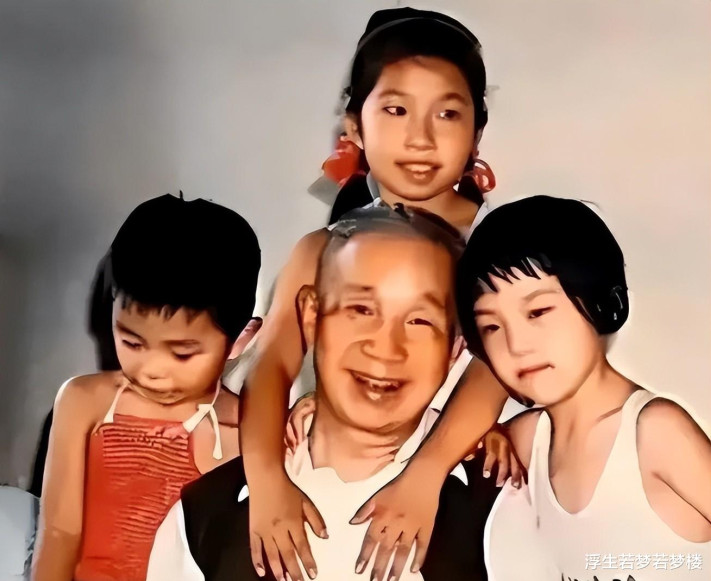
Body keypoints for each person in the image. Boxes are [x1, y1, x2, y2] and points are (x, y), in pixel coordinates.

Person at [240, 9, 517, 581]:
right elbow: (270, 366)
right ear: (355, 127)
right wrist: (265, 480)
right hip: (339, 474)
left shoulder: (496, 250)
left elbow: (493, 370)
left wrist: (427, 473)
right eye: (395, 110)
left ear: (476, 133)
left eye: (447, 113)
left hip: (461, 487)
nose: (420, 138)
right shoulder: (321, 248)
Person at [149, 204, 501, 581]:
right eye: (361, 309)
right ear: (311, 317)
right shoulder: (203, 519)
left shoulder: (504, 504)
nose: (386, 348)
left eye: (419, 320)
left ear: (455, 348)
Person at [455, 195, 711, 580]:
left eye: (537, 312)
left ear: (603, 301)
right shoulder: (525, 441)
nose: (516, 345)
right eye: (492, 326)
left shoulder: (656, 433)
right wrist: (483, 436)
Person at [32, 194, 261, 581]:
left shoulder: (251, 431)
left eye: (182, 354)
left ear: (240, 340)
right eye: (132, 342)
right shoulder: (84, 402)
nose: (152, 371)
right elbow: (59, 534)